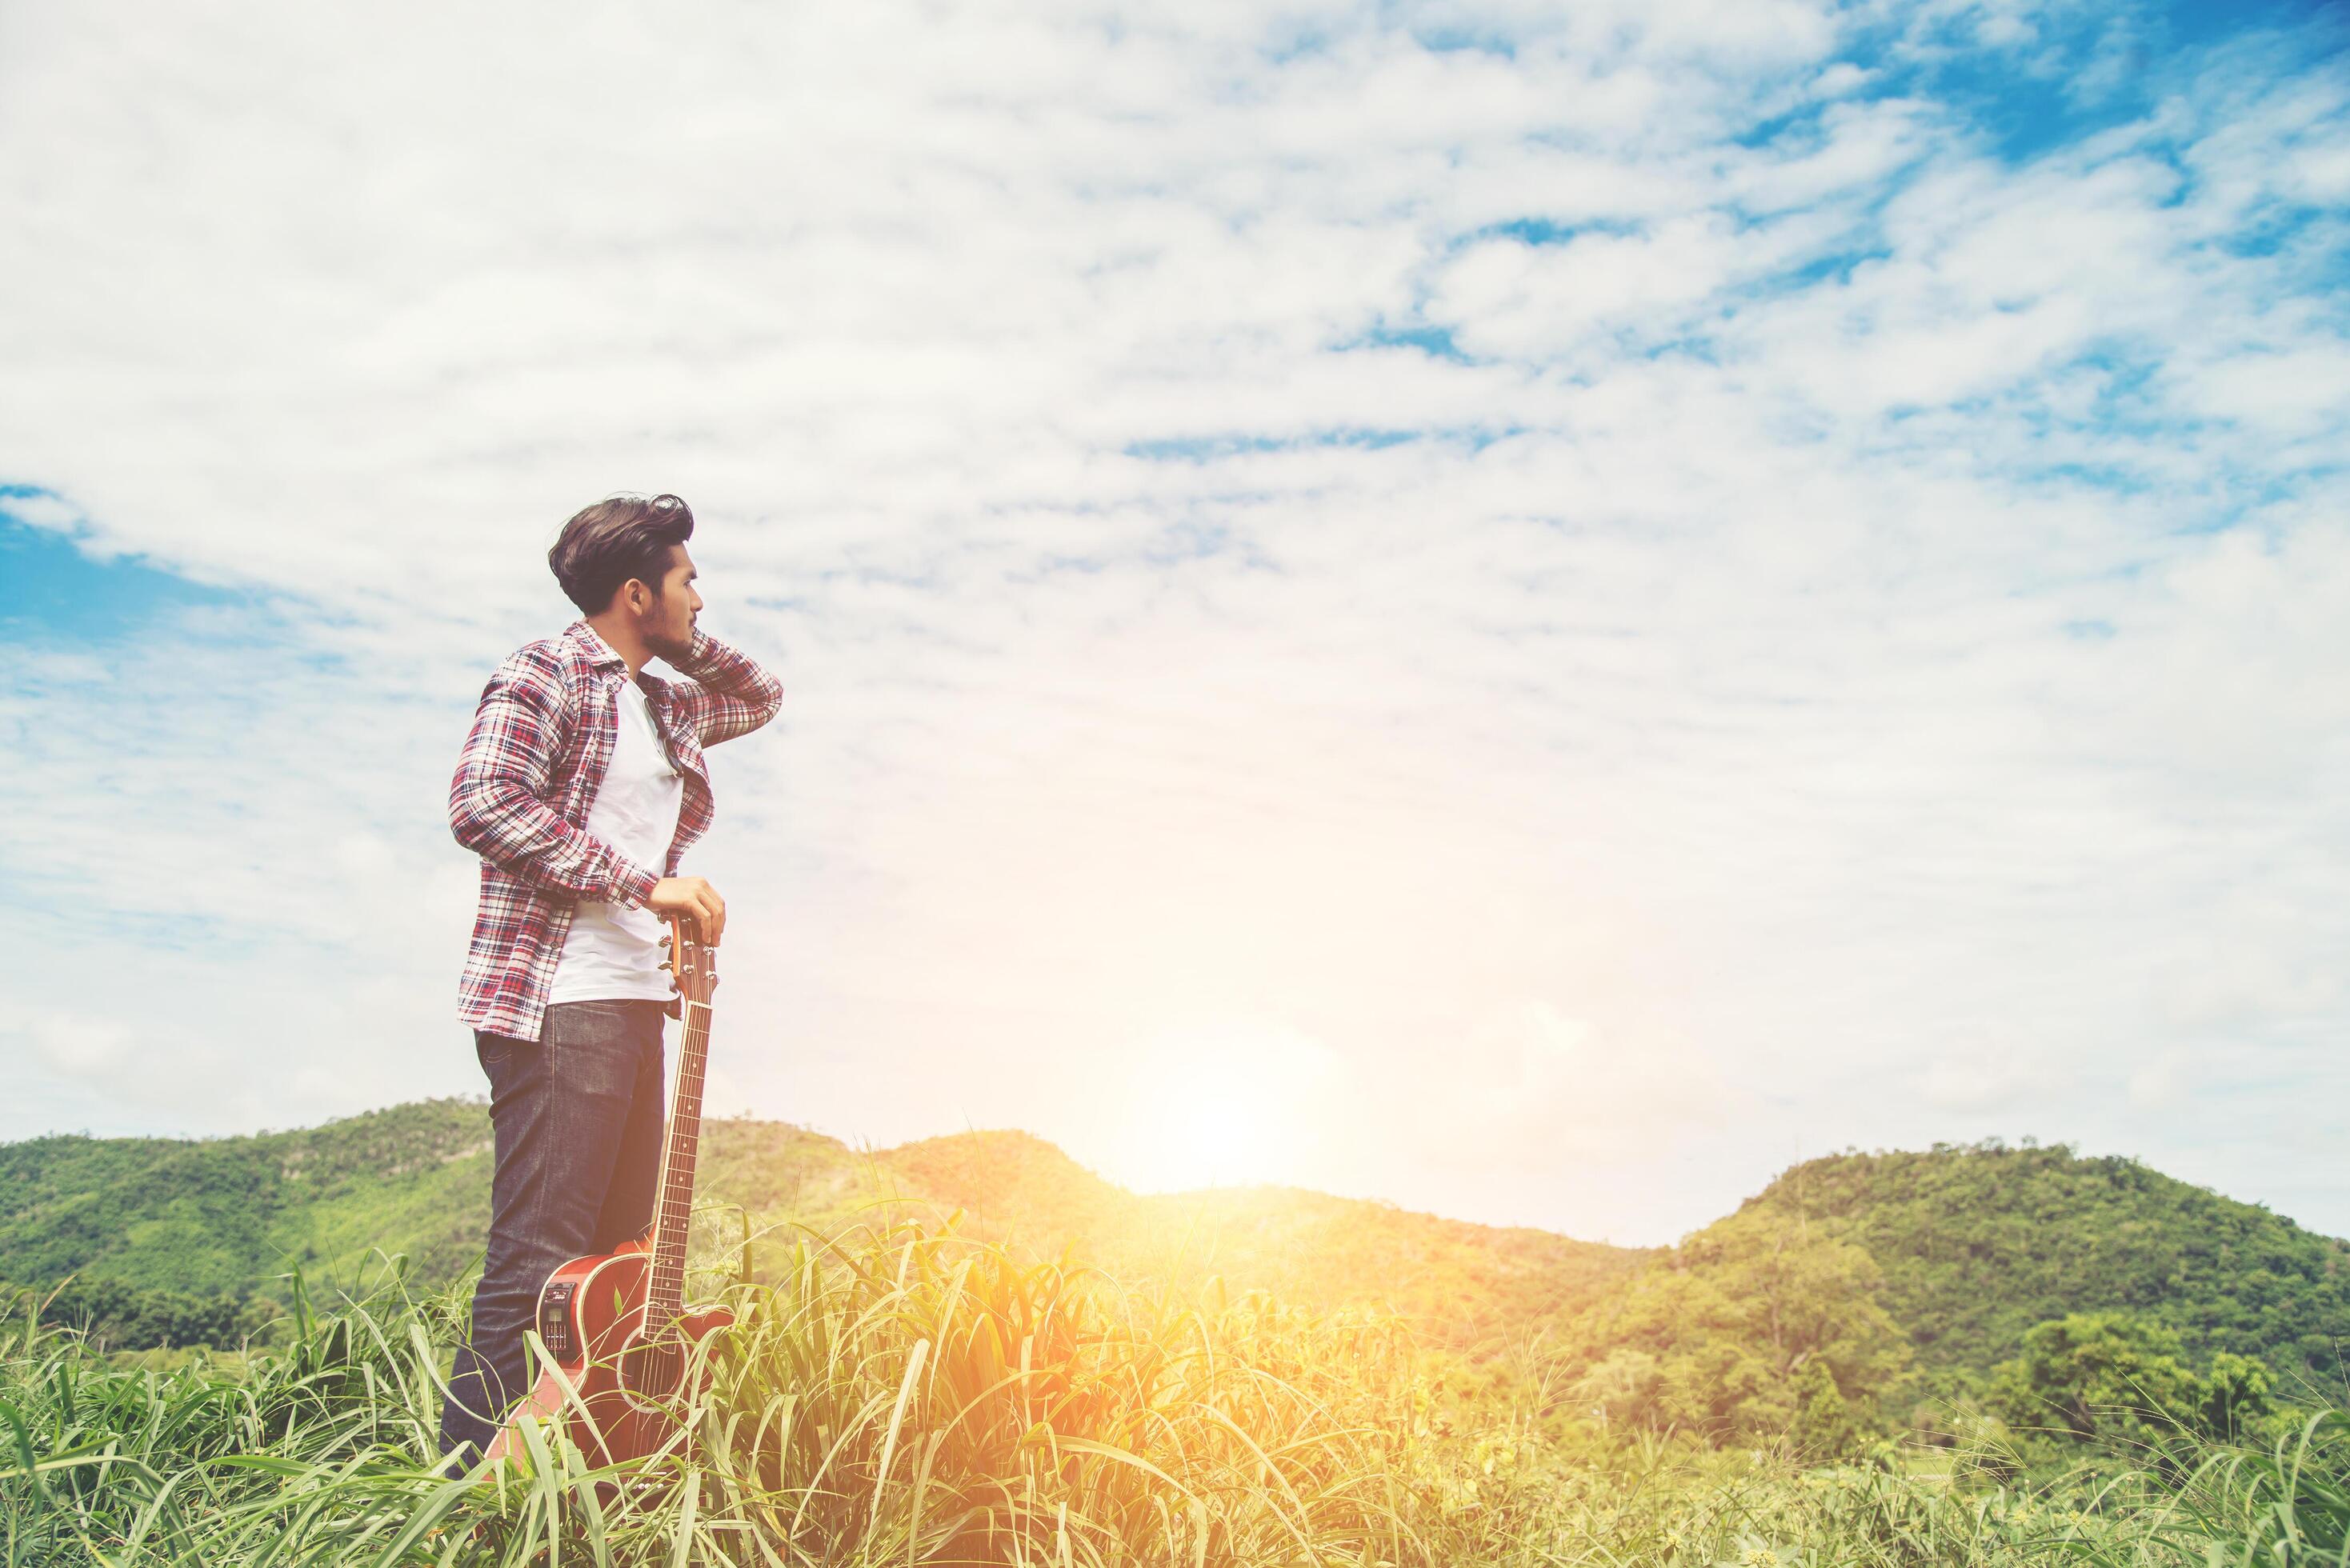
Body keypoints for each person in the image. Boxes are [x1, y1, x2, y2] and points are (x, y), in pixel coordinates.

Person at [435, 492, 782, 1465]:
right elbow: (482, 803)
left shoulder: (662, 699)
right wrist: (645, 884)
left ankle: (580, 1486)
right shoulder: (542, 671)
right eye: (685, 581)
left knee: (622, 1273)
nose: (702, 601)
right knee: (538, 1262)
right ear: (637, 592)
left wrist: (670, 641)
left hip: (634, 1000)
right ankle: (463, 1503)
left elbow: (760, 695)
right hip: (558, 997)